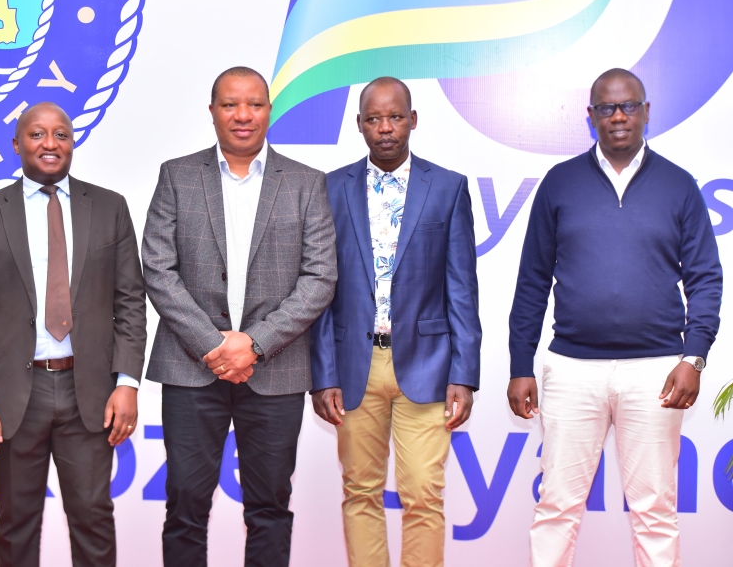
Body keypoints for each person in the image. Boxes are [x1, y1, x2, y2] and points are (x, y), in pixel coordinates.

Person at [507, 68, 723, 567]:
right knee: (557, 505)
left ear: (646, 112)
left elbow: (705, 278)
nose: (619, 116)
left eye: (629, 106)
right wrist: (522, 365)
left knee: (654, 510)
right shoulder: (560, 183)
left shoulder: (679, 185)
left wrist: (695, 356)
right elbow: (532, 282)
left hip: (658, 372)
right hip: (572, 370)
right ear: (591, 117)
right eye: (607, 108)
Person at [142, 66, 337, 567]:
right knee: (185, 505)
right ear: (212, 112)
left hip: (275, 369)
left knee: (270, 507)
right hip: (191, 368)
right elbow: (158, 269)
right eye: (230, 104)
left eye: (254, 104)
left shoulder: (305, 183)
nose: (243, 115)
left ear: (269, 111)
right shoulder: (177, 175)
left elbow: (320, 279)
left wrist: (253, 344)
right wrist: (213, 343)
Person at [0, 102, 146, 567]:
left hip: (92, 392)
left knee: (94, 519)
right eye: (37, 135)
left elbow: (130, 303)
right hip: (15, 396)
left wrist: (127, 383)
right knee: (16, 525)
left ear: (72, 143)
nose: (50, 144)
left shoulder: (109, 207)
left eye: (61, 134)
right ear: (16, 144)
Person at [310, 77, 482, 567]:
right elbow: (320, 291)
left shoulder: (447, 187)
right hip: (352, 367)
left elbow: (462, 289)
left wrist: (463, 374)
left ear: (412, 120)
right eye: (374, 119)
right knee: (359, 492)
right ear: (359, 124)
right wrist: (323, 376)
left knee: (424, 495)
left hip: (428, 366)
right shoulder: (329, 188)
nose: (385, 128)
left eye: (395, 117)